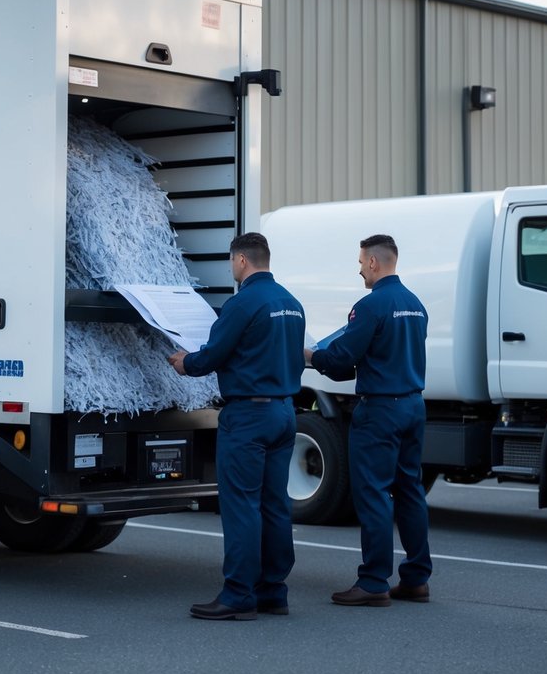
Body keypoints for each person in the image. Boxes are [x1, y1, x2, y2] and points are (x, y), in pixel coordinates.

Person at [168, 232, 306, 620]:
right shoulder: (291, 304)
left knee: (241, 506)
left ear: (241, 261)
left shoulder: (242, 303)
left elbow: (213, 354)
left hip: (248, 417)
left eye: (232, 263)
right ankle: (273, 592)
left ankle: (238, 595)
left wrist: (185, 363)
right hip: (283, 412)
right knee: (274, 504)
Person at [305, 234, 433, 607]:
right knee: (410, 490)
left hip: (380, 410)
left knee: (374, 491)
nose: (359, 267)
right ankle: (416, 578)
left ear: (375, 263)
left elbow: (344, 357)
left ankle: (374, 581)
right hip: (413, 405)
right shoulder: (416, 304)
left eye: (361, 261)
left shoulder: (370, 306)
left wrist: (313, 357)